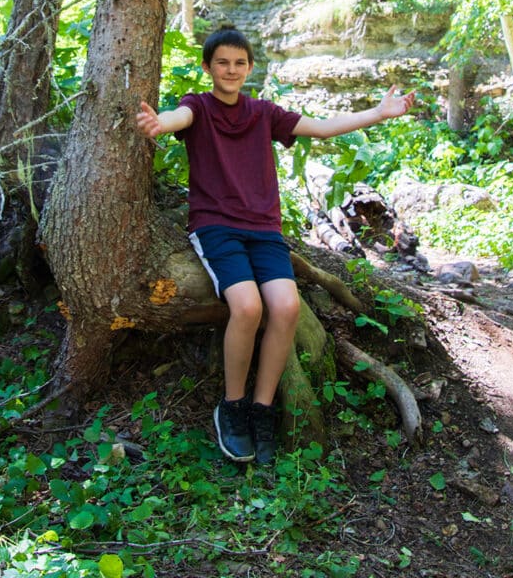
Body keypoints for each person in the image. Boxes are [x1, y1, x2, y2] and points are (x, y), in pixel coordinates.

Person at [136, 26, 415, 465]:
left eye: (239, 63)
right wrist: (158, 123)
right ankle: (232, 406)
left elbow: (321, 129)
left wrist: (378, 113)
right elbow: (178, 118)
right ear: (208, 68)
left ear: (249, 68)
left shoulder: (263, 113)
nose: (231, 70)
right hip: (216, 227)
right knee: (247, 307)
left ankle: (263, 408)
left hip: (264, 229)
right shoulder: (200, 107)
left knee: (284, 307)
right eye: (222, 63)